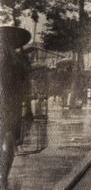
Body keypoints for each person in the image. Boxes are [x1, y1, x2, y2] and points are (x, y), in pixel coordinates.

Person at [0, 26, 31, 190]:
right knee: (8, 138)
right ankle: (3, 176)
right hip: (12, 105)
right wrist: (29, 108)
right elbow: (25, 87)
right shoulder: (19, 61)